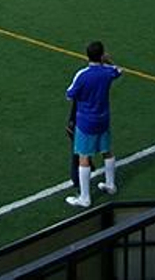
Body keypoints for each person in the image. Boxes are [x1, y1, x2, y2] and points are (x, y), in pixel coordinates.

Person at [65, 40, 120, 208]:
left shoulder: (82, 75)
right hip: (103, 118)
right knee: (107, 151)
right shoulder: (107, 72)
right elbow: (118, 70)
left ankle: (85, 197)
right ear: (102, 55)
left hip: (86, 121)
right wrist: (108, 61)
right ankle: (110, 184)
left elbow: (69, 94)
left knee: (84, 157)